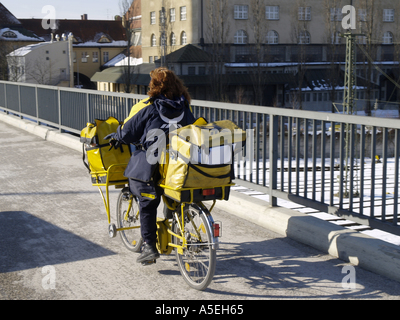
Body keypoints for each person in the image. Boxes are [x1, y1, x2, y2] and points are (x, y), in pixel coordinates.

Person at [105, 67, 195, 264]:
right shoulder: (184, 106)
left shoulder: (150, 107)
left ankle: (149, 246)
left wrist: (116, 136)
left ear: (154, 86)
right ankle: (175, 219)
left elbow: (129, 131)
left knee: (147, 199)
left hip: (154, 162)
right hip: (179, 163)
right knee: (174, 191)